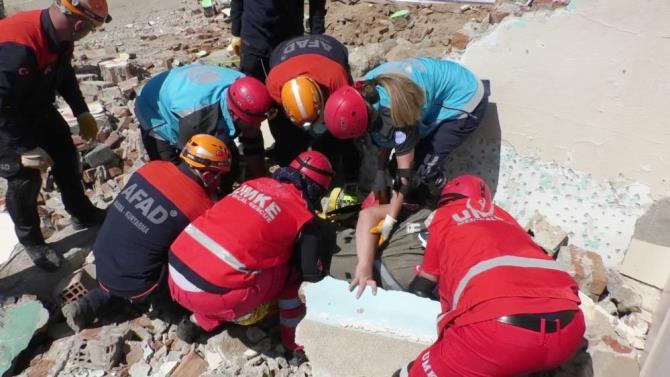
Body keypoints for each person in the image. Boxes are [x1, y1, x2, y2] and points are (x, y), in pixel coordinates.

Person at [386, 174, 584, 377]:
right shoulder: (505, 217)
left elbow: (423, 284)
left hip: (498, 333)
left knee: (409, 374)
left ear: (446, 201)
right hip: (569, 330)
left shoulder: (443, 215)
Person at [61, 134, 231, 331]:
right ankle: (175, 313)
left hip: (103, 258)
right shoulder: (201, 207)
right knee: (189, 258)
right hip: (139, 282)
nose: (220, 182)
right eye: (220, 175)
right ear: (209, 175)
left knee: (144, 246)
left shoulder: (152, 168)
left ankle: (88, 305)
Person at [168, 151, 335, 349]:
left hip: (176, 273)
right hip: (213, 294)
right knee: (293, 274)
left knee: (229, 264)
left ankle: (197, 322)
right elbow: (311, 277)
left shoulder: (253, 184)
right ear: (317, 190)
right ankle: (295, 339)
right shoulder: (302, 214)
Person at [324, 57, 489, 245]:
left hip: (464, 98)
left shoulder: (396, 113)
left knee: (423, 170)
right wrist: (380, 171)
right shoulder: (365, 91)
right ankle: (418, 203)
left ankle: (451, 207)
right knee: (402, 166)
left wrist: (390, 220)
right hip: (441, 85)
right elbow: (385, 138)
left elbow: (405, 173)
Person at [0, 0, 111, 271]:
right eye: (91, 30)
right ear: (80, 24)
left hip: (34, 106)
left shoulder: (61, 37)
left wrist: (81, 111)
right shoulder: (17, 46)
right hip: (4, 118)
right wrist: (23, 147)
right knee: (24, 179)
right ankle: (33, 241)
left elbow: (64, 75)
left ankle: (80, 212)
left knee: (64, 151)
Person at [134, 63, 274, 179]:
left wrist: (261, 179)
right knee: (173, 173)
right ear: (234, 115)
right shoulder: (197, 120)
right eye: (253, 123)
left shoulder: (246, 86)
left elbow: (252, 140)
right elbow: (192, 165)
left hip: (184, 87)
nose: (258, 126)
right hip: (153, 107)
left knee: (230, 164)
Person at [264, 34, 360, 182]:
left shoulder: (337, 81)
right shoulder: (273, 88)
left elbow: (348, 114)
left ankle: (344, 166)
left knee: (342, 125)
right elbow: (277, 123)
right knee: (284, 132)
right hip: (283, 52)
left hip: (330, 50)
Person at [229, 0, 326, 80]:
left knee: (288, 92)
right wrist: (236, 32)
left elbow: (317, 5)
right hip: (253, 37)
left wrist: (316, 37)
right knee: (251, 91)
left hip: (288, 42)